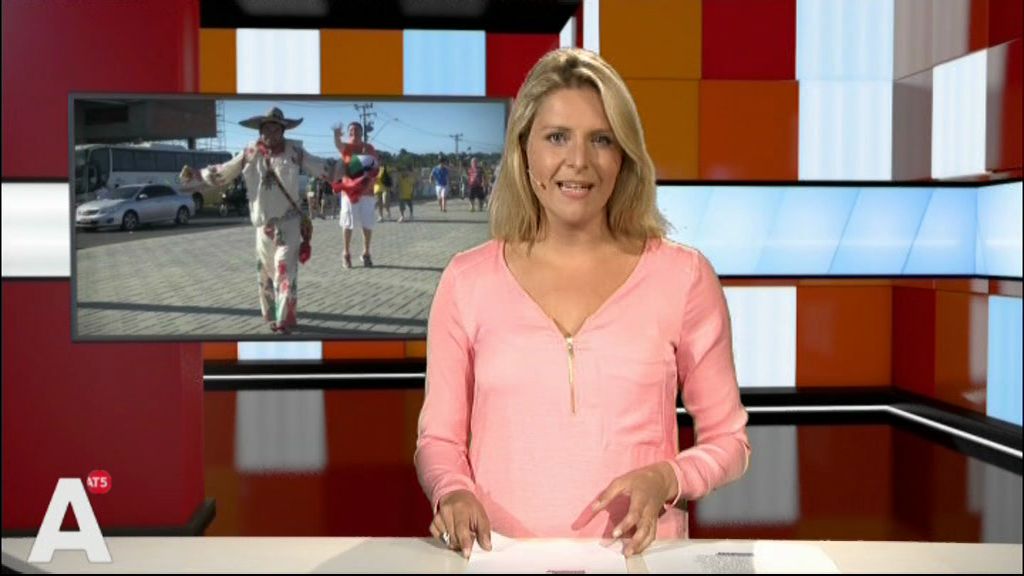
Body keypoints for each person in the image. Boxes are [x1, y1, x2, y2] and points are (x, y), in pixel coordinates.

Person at [414, 48, 750, 558]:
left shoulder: (684, 277)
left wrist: (669, 477)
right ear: (524, 148)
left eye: (601, 139)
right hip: (501, 561)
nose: (579, 161)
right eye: (557, 137)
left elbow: (729, 442)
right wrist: (452, 491)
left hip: (642, 563)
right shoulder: (466, 280)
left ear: (625, 155)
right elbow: (438, 441)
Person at [180, 106, 337, 334]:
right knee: (266, 273)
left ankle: (283, 320)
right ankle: (275, 315)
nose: (270, 133)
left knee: (284, 269)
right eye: (266, 129)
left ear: (283, 131)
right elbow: (225, 171)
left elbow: (322, 166)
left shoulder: (295, 151)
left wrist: (351, 169)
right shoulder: (250, 153)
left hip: (289, 223)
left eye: (275, 129)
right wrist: (198, 175)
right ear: (260, 131)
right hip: (263, 226)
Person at [333, 121, 379, 268]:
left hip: (367, 192)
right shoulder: (346, 147)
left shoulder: (369, 148)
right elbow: (338, 144)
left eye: (357, 130)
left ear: (361, 132)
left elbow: (374, 168)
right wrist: (336, 134)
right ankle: (346, 254)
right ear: (348, 133)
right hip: (349, 192)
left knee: (367, 223)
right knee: (348, 222)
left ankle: (366, 253)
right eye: (351, 130)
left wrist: (365, 158)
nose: (354, 132)